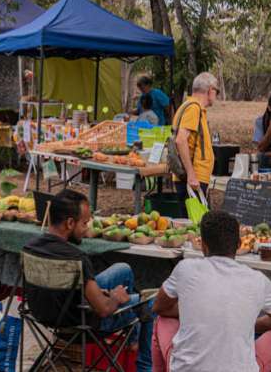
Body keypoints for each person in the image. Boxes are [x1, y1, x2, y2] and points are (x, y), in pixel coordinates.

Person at [24, 189, 154, 372]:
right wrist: (116, 297)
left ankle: (132, 338)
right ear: (70, 223)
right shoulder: (76, 258)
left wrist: (102, 293)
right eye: (84, 223)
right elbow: (103, 310)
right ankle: (145, 368)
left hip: (44, 314)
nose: (87, 229)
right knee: (150, 302)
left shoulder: (30, 248)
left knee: (123, 269)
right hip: (82, 325)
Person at [152, 210, 271, 372]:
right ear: (238, 244)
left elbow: (159, 307)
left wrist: (195, 311)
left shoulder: (186, 269)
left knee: (161, 321)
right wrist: (248, 324)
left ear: (203, 245)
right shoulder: (259, 280)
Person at [173, 71, 217, 198]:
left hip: (193, 177)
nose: (216, 95)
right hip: (193, 179)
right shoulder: (193, 108)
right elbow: (180, 140)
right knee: (195, 218)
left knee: (196, 217)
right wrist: (191, 174)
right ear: (210, 90)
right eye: (216, 91)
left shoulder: (189, 106)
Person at [254, 96, 271, 169]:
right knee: (261, 157)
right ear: (269, 107)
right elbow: (260, 148)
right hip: (267, 160)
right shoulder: (260, 121)